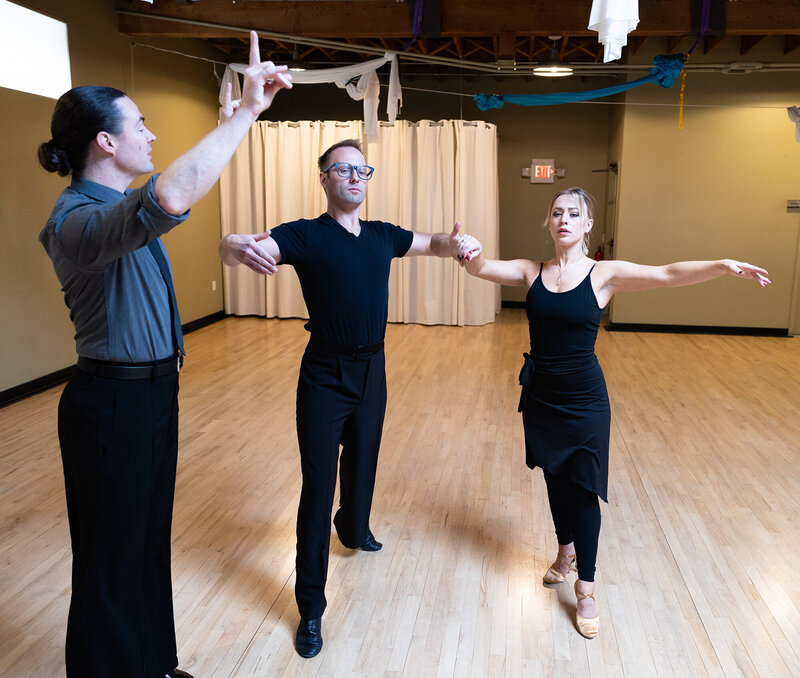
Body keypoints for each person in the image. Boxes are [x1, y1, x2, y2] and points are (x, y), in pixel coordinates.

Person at [37, 32, 291, 678]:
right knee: (109, 557)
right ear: (105, 142)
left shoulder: (119, 209)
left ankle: (152, 664)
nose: (150, 135)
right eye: (140, 124)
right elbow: (171, 199)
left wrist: (227, 244)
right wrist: (244, 114)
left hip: (152, 396)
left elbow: (147, 263)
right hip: (110, 404)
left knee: (146, 543)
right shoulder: (74, 220)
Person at [456, 187, 770, 639]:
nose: (564, 219)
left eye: (575, 213)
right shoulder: (531, 271)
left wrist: (721, 266)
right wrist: (470, 252)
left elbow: (666, 274)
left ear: (587, 226)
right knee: (553, 478)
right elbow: (483, 267)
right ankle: (565, 552)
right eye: (557, 212)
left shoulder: (603, 275)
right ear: (549, 223)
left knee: (582, 489)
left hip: (585, 403)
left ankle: (586, 585)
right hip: (542, 398)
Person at [219, 138, 465, 658]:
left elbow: (433, 243)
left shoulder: (381, 236)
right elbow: (245, 250)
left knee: (365, 458)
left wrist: (458, 245)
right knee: (318, 483)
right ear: (325, 178)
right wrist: (229, 244)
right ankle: (311, 609)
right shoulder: (306, 236)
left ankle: (353, 529)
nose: (355, 177)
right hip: (325, 373)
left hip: (373, 367)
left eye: (363, 170)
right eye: (344, 169)